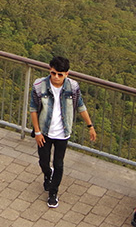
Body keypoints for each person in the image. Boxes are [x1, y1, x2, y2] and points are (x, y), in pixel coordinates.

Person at [28, 56, 97, 209]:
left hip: (63, 133)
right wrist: (37, 132)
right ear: (49, 70)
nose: (56, 77)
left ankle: (53, 192)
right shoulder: (39, 86)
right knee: (43, 161)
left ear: (67, 73)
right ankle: (47, 174)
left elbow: (80, 106)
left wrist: (90, 126)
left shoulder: (72, 87)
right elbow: (33, 109)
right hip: (45, 131)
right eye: (53, 73)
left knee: (58, 164)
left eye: (60, 74)